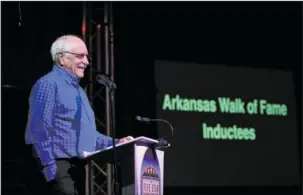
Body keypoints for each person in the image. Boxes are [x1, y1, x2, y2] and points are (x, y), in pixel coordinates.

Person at [24, 34, 134, 195]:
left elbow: (89, 136)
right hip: (58, 167)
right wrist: (51, 171)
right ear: (61, 58)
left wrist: (118, 143)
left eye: (87, 56)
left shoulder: (80, 92)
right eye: (80, 56)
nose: (86, 62)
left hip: (77, 170)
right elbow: (37, 131)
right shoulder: (48, 84)